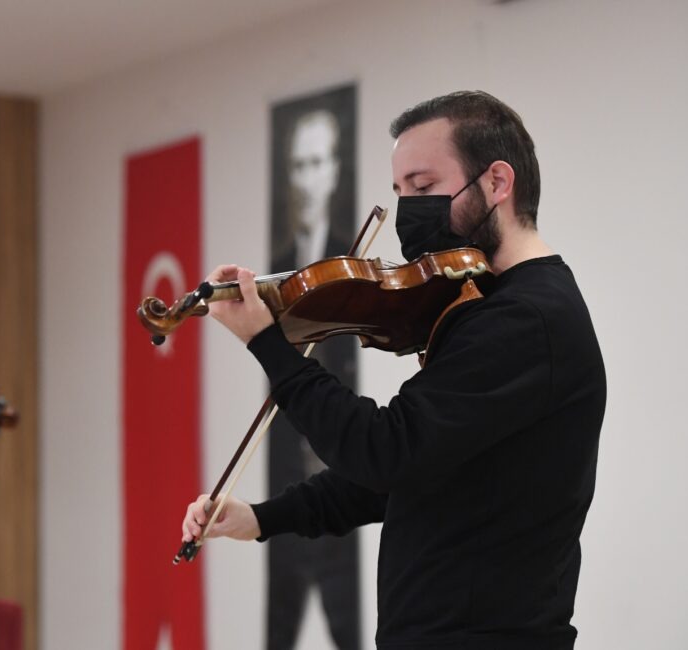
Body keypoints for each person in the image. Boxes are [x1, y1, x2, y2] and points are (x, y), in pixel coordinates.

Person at [182, 91, 606, 649]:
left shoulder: (525, 320)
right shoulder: (488, 306)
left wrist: (270, 344)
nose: (410, 208)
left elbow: (384, 451)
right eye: (400, 191)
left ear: (498, 183)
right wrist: (266, 517)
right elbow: (413, 477)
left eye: (425, 187)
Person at [269, 107, 361, 650]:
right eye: (298, 164)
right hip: (295, 483)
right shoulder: (280, 264)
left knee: (349, 627)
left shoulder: (352, 259)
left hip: (341, 483)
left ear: (334, 170)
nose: (307, 178)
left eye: (318, 162)